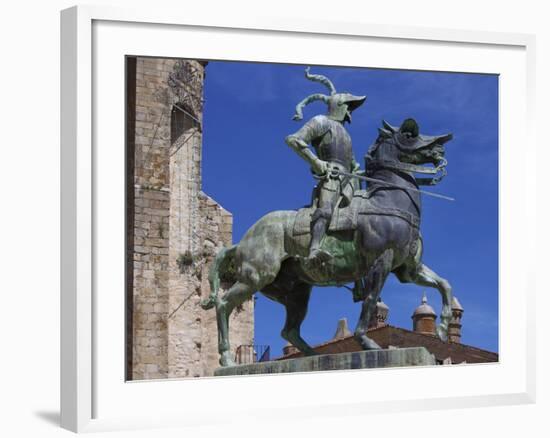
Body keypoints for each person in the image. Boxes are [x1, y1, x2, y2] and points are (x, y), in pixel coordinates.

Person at [285, 67, 366, 269]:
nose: (350, 112)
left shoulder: (346, 136)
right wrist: (317, 162)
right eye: (349, 107)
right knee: (326, 210)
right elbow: (293, 140)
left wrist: (360, 172)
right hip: (331, 178)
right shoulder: (321, 122)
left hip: (349, 181)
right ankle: (314, 249)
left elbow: (354, 164)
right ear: (339, 105)